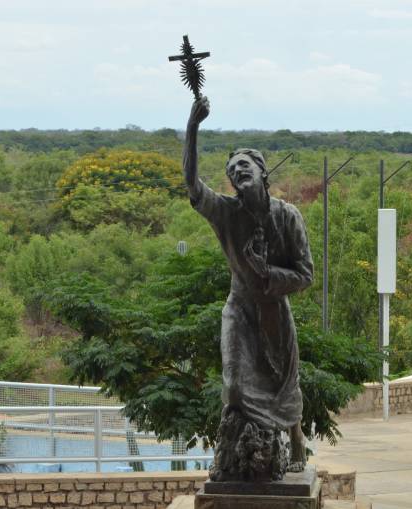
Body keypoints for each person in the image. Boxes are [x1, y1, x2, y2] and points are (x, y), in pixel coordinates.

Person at [183, 96, 314, 479]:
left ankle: (295, 436)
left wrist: (267, 271)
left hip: (273, 309)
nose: (237, 171)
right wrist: (192, 128)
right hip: (239, 309)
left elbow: (306, 275)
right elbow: (192, 184)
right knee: (235, 387)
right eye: (232, 169)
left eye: (244, 165)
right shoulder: (225, 213)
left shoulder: (287, 216)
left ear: (261, 171)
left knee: (282, 379)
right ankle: (236, 457)